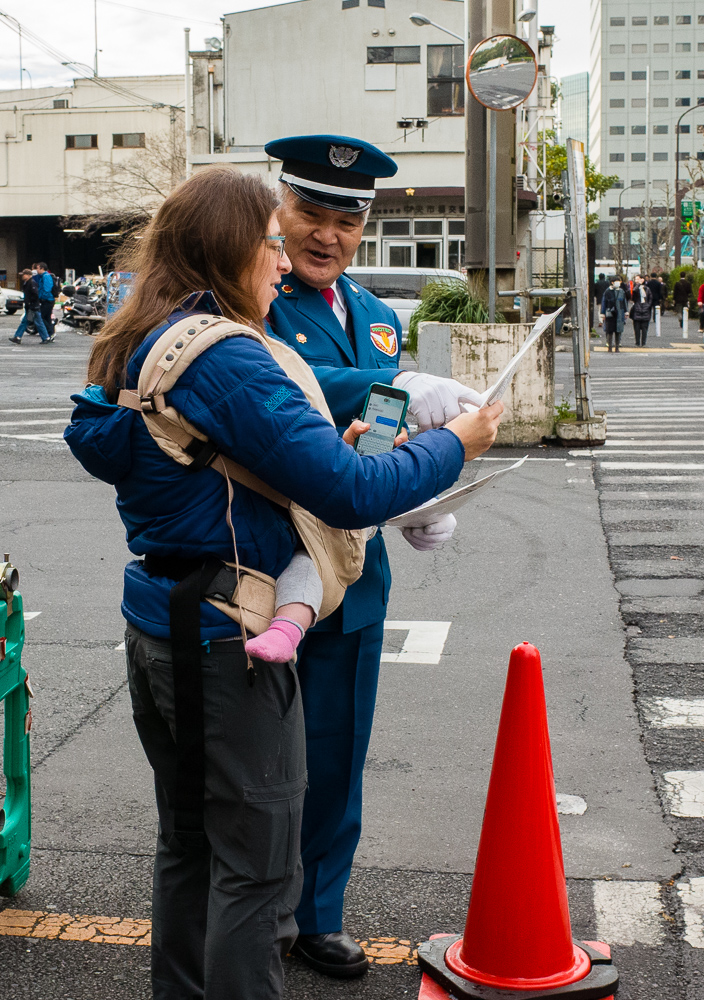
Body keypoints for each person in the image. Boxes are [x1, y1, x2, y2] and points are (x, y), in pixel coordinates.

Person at [64, 168, 503, 1000]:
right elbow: (349, 490)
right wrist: (458, 445)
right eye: (272, 238)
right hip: (230, 633)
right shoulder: (229, 353)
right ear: (233, 247)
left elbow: (210, 464)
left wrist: (307, 450)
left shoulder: (145, 336)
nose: (283, 258)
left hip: (164, 616)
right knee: (260, 871)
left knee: (190, 844)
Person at [264, 133, 486, 978]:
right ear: (279, 210)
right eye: (311, 212)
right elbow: (299, 390)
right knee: (260, 768)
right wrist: (390, 397)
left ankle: (318, 913)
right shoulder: (252, 299)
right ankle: (263, 909)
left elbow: (379, 442)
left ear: (365, 226)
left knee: (337, 753)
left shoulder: (381, 319)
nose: (327, 234)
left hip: (353, 573)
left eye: (346, 220)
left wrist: (416, 500)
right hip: (269, 566)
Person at [8, 268, 53, 344]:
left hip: (33, 307)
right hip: (31, 307)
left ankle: (46, 337)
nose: (22, 276)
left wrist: (30, 303)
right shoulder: (27, 283)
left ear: (29, 275)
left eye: (24, 274)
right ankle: (17, 337)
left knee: (38, 322)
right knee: (26, 322)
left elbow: (35, 294)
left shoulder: (31, 283)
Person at [599, 276, 627, 352]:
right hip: (609, 313)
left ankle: (617, 347)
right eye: (617, 281)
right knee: (609, 330)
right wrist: (603, 313)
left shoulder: (621, 291)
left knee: (618, 331)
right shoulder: (607, 291)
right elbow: (604, 302)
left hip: (619, 313)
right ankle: (610, 347)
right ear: (612, 282)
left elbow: (624, 302)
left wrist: (625, 311)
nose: (619, 283)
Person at [630, 274, 654, 347]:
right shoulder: (635, 288)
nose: (636, 280)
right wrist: (638, 285)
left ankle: (643, 342)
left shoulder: (647, 289)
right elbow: (633, 294)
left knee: (644, 329)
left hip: (645, 311)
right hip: (637, 310)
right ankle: (637, 342)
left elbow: (650, 298)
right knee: (636, 329)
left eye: (638, 279)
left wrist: (648, 305)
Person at [35, 262, 56, 339]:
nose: (36, 270)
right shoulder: (43, 276)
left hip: (47, 300)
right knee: (47, 318)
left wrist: (41, 297)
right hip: (47, 300)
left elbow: (47, 289)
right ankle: (50, 334)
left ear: (42, 268)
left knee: (42, 317)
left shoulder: (46, 276)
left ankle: (50, 332)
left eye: (37, 268)